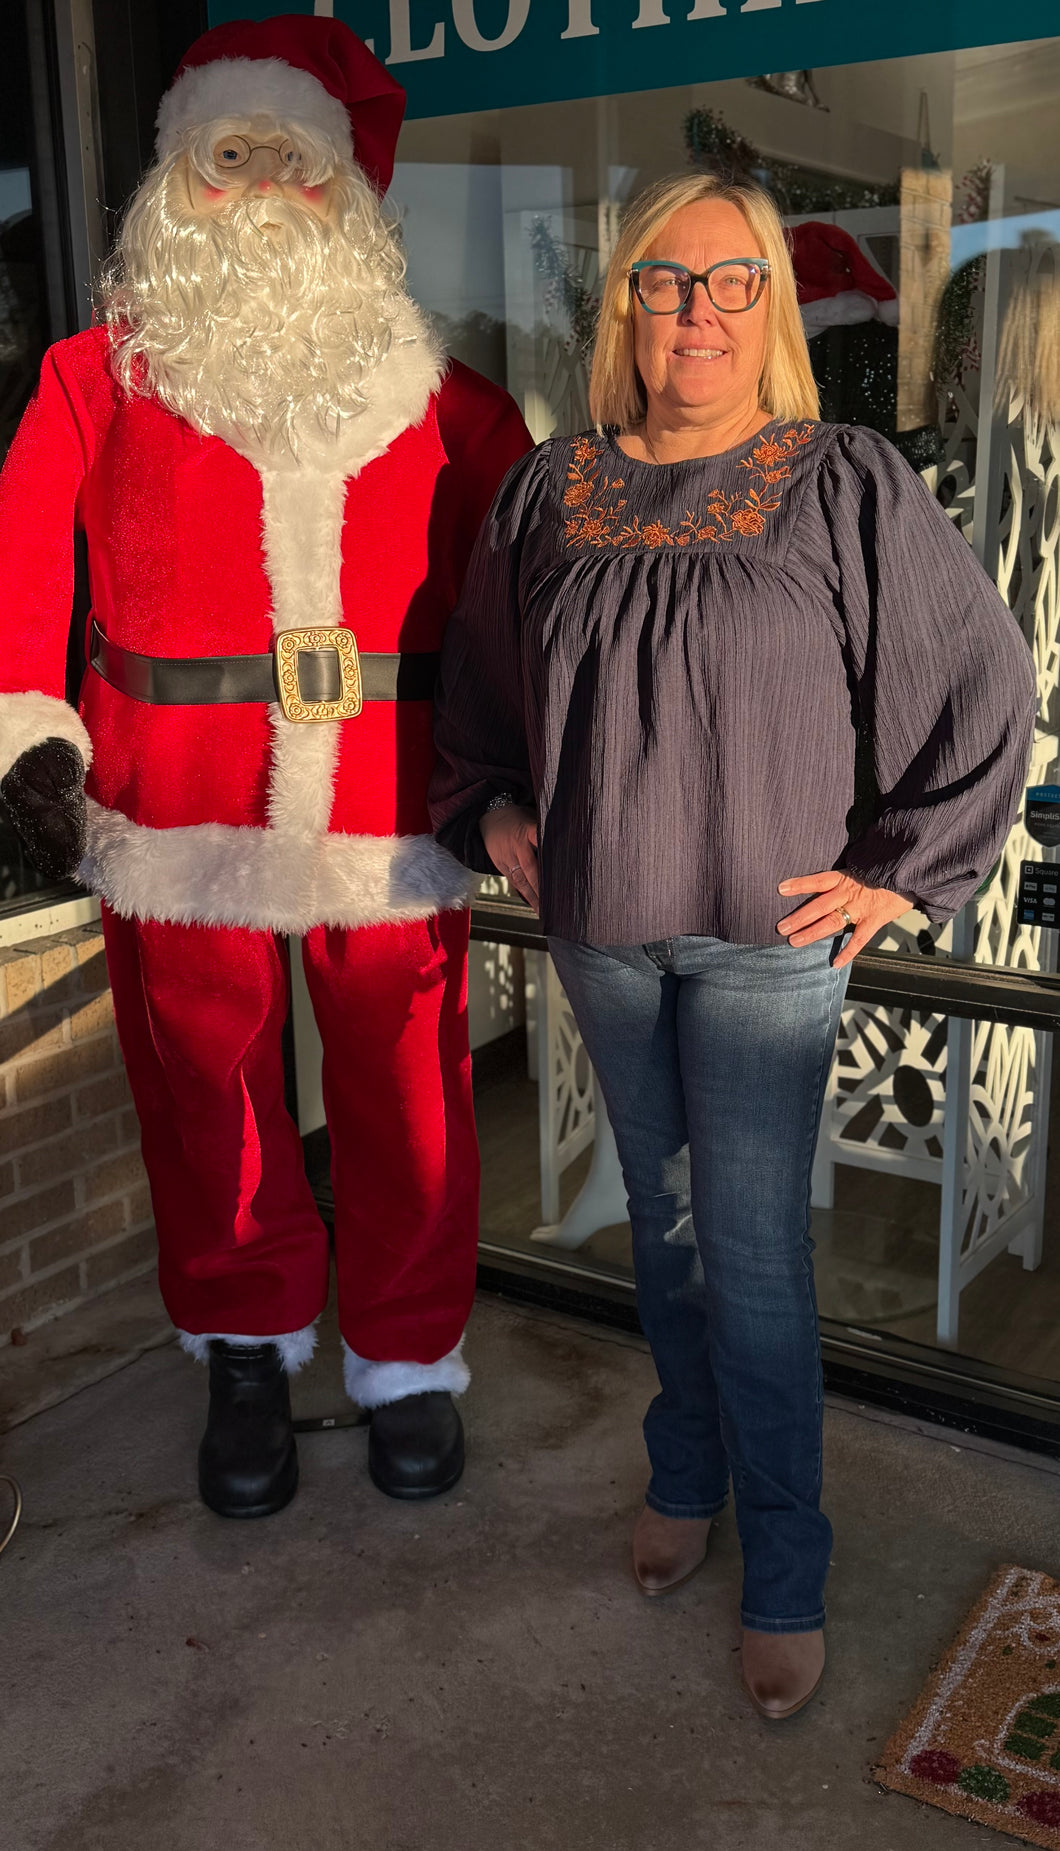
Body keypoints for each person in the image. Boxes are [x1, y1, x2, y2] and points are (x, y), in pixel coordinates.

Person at [429, 171, 1036, 1718]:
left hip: (772, 945)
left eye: (729, 283)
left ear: (769, 307)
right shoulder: (549, 490)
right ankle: (683, 1472)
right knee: (666, 1226)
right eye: (663, 282)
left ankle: (786, 1560)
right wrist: (494, 805)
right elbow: (486, 686)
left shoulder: (843, 480)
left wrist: (902, 875)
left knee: (752, 1260)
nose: (695, 311)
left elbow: (979, 685)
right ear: (624, 303)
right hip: (606, 930)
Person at [0, 15, 530, 1519]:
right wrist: (28, 732)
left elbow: (529, 599)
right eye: (225, 159)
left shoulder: (456, 402)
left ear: (343, 194)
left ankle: (409, 1359)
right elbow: (19, 572)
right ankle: (244, 1351)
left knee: (409, 1094)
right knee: (208, 1089)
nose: (255, 192)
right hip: (180, 809)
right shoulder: (89, 381)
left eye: (287, 162)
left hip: (393, 804)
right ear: (178, 180)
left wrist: (539, 761)